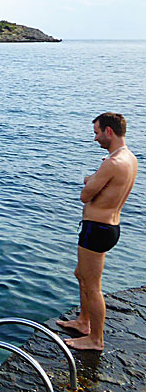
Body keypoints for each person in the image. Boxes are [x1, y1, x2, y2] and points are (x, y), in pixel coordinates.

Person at [57, 113, 138, 350]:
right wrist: (94, 179)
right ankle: (83, 321)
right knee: (81, 274)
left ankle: (95, 339)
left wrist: (90, 179)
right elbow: (99, 185)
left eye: (97, 132)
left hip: (98, 229)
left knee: (92, 285)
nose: (95, 138)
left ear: (109, 131)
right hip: (107, 226)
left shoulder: (112, 163)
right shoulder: (129, 159)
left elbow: (85, 195)